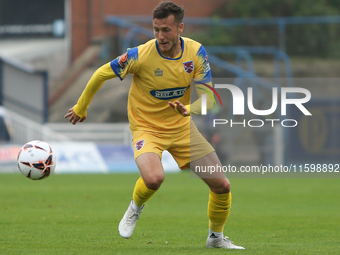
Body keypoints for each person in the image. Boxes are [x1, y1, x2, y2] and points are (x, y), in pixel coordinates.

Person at [64, 1, 244, 250]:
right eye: (156, 29)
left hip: (182, 127)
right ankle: (135, 207)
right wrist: (81, 107)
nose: (160, 36)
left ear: (180, 27)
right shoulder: (139, 55)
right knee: (153, 178)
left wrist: (188, 110)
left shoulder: (196, 52)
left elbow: (209, 98)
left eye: (166, 30)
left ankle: (216, 238)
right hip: (147, 128)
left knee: (222, 185)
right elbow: (101, 73)